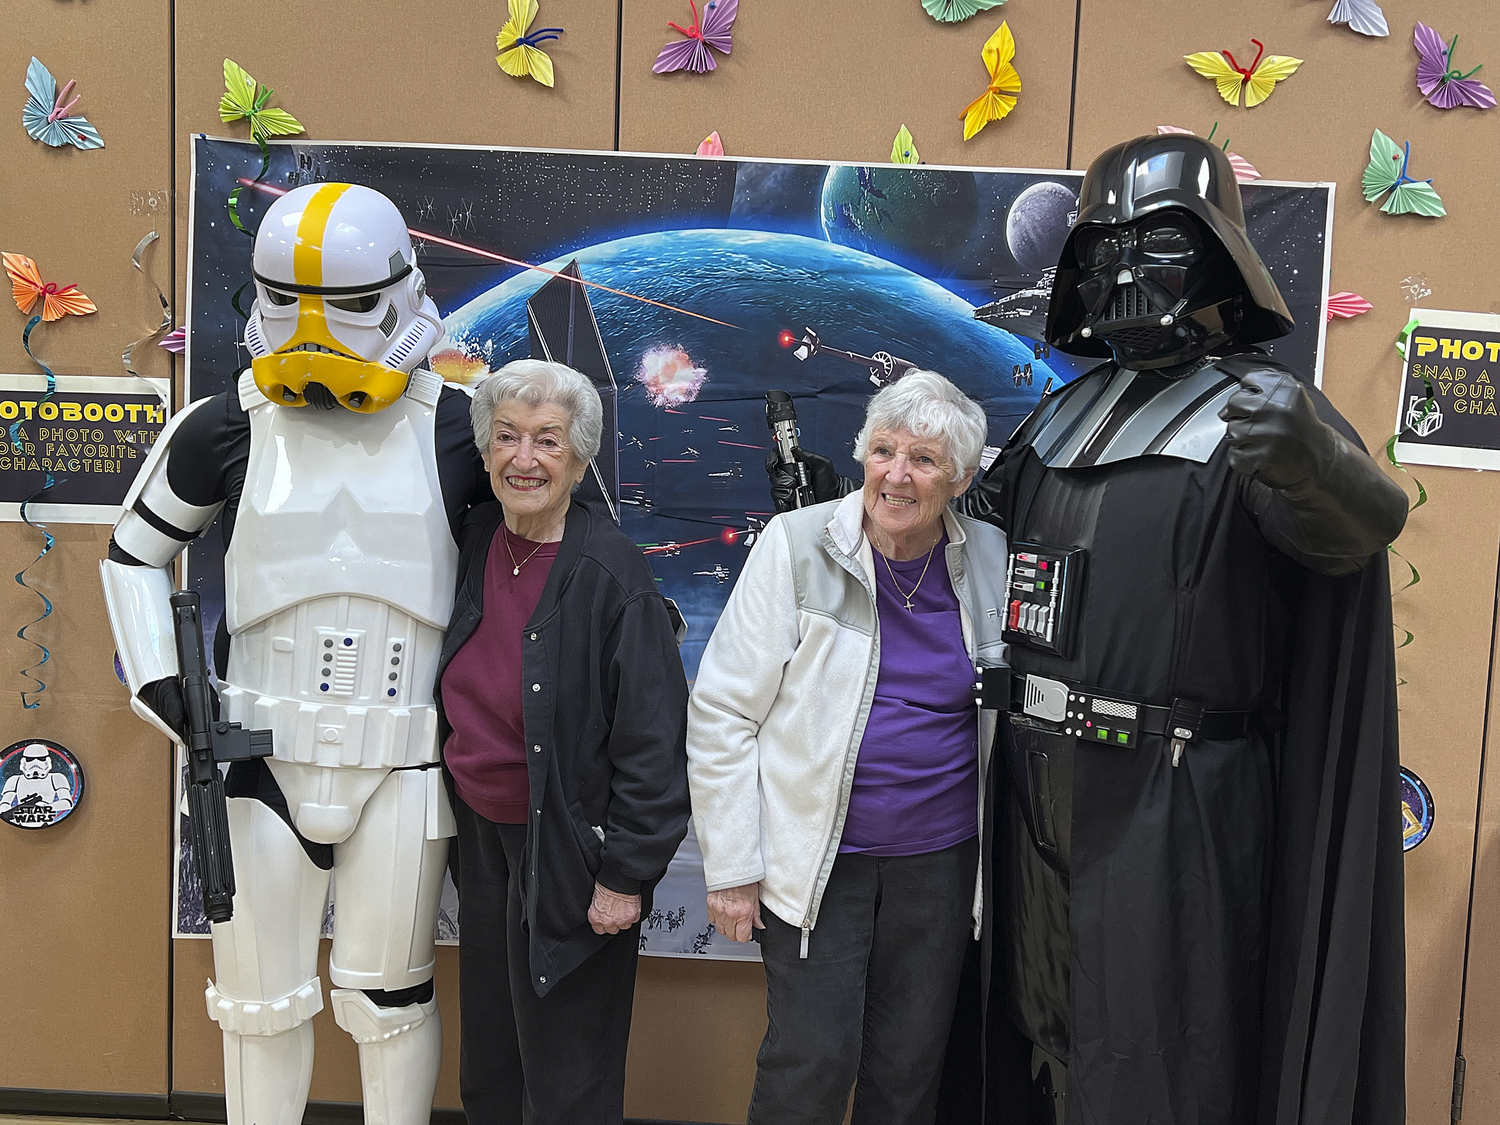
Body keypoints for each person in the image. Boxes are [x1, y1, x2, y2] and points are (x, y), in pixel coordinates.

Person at [772, 133, 1409, 1125]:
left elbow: (1360, 530)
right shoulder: (1062, 418)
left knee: (1161, 1046)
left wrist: (1318, 460)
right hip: (1036, 781)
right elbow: (963, 547)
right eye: (1101, 249)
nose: (1123, 273)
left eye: (1152, 245)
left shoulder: (1262, 411)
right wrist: (852, 507)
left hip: (1177, 801)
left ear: (1214, 255)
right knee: (1042, 1025)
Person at [101, 182, 492, 1125]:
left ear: (405, 293)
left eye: (352, 307)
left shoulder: (466, 426)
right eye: (288, 305)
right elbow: (131, 556)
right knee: (257, 1007)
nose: (316, 336)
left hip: (402, 761)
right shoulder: (223, 422)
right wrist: (164, 685)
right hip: (254, 755)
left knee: (387, 1004)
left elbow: (554, 559)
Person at [691, 371, 1010, 1125]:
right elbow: (723, 713)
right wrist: (733, 865)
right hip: (818, 863)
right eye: (883, 450)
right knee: (810, 1062)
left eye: (924, 459)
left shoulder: (992, 558)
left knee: (908, 1071)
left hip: (940, 862)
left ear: (961, 478)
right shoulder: (796, 545)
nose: (897, 474)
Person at [436, 359, 690, 1125]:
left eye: (548, 441)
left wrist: (625, 875)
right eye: (506, 437)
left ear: (579, 459)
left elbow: (655, 744)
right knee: (490, 1057)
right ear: (483, 452)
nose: (524, 459)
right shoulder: (474, 536)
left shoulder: (613, 575)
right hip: (481, 836)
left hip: (572, 851)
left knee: (567, 1070)